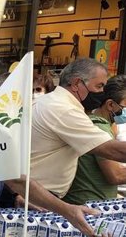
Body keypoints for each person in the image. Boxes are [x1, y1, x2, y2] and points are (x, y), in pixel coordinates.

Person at [29, 58, 126, 203]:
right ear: (76, 84)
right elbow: (113, 151)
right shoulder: (64, 110)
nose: (102, 93)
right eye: (99, 86)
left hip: (31, 191)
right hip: (37, 197)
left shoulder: (48, 101)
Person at [62, 75, 126, 205]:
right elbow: (115, 175)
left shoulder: (94, 121)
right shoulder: (99, 128)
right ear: (110, 105)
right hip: (89, 207)